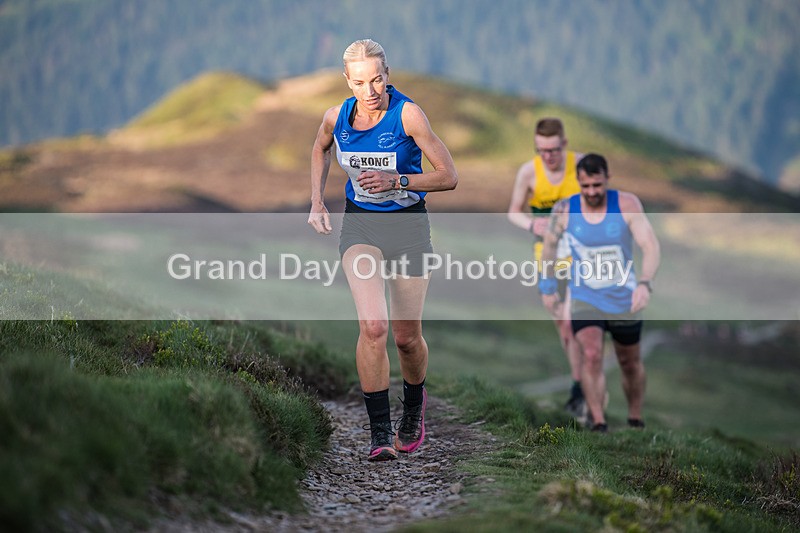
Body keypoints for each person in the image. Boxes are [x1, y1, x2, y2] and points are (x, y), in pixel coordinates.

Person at [308, 39, 458, 460]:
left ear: (387, 75)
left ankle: (413, 408)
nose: (370, 91)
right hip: (361, 226)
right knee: (373, 327)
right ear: (347, 81)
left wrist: (398, 181)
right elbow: (320, 147)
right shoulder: (336, 117)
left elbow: (448, 176)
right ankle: (379, 435)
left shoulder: (408, 115)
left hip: (409, 227)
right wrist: (317, 201)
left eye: (376, 80)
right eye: (360, 82)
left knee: (406, 338)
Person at [539, 153, 660, 432]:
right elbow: (549, 249)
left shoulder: (627, 204)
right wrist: (547, 286)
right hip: (585, 296)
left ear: (607, 179)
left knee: (629, 362)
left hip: (624, 297)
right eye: (586, 186)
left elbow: (650, 246)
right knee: (592, 355)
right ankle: (599, 422)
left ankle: (635, 418)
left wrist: (645, 284)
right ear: (578, 182)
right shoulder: (564, 210)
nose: (592, 192)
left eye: (597, 185)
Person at [507, 118, 586, 420]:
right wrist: (532, 224)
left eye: (553, 150)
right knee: (563, 327)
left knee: (574, 320)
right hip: (548, 256)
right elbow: (513, 211)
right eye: (542, 150)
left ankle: (582, 389)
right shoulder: (529, 172)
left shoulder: (580, 166)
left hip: (582, 255)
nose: (548, 156)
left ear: (564, 144)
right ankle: (579, 384)